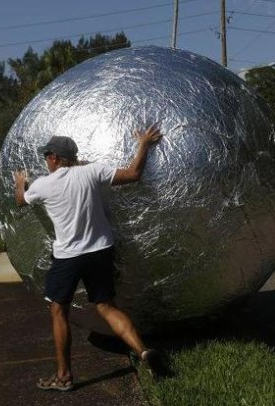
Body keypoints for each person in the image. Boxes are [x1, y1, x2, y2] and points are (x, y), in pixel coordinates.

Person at [14, 124, 168, 391]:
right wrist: (143, 144)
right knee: (106, 306)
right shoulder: (92, 171)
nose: (45, 161)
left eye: (46, 157)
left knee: (58, 310)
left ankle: (63, 376)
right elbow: (133, 174)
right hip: (100, 251)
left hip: (68, 257)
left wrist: (20, 185)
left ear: (53, 158)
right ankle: (143, 351)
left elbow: (20, 201)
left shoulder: (43, 185)